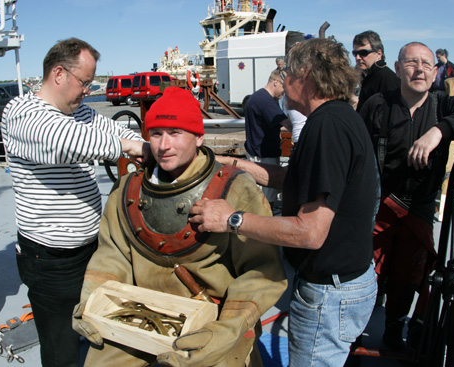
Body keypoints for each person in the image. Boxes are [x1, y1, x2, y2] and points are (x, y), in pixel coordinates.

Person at [189, 37, 379, 367]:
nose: (282, 78)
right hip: (343, 285)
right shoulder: (338, 118)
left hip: (328, 295)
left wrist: (232, 219)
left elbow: (310, 232)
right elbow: (292, 181)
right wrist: (224, 163)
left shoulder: (327, 128)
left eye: (285, 70)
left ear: (304, 74)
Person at [72, 87, 287, 367]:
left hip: (215, 319)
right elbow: (112, 256)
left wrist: (227, 328)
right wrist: (92, 302)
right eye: (157, 133)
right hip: (142, 315)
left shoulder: (234, 189)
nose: (164, 145)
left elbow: (261, 271)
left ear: (199, 137)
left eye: (175, 133)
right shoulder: (128, 190)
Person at [1, 37, 149, 367]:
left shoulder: (79, 111)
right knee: (62, 350)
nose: (87, 91)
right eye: (85, 82)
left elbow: (110, 129)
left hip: (92, 250)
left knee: (99, 331)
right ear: (58, 74)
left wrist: (155, 148)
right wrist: (132, 148)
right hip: (50, 261)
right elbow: (68, 140)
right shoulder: (22, 114)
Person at [359, 41, 454, 351]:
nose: (419, 69)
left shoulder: (444, 105)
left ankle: (395, 328)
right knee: (367, 273)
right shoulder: (377, 104)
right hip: (379, 203)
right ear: (398, 68)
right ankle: (353, 334)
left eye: (427, 64)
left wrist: (440, 131)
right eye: (412, 63)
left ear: (435, 73)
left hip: (419, 206)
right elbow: (357, 150)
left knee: (409, 273)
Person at [244, 69, 291, 208]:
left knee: (258, 197)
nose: (285, 93)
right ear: (276, 82)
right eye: (284, 87)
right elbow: (288, 124)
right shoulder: (266, 101)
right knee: (266, 199)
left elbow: (270, 124)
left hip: (256, 154)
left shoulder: (257, 97)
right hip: (264, 158)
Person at [353, 30, 400, 112]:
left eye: (363, 53)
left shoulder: (386, 78)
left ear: (379, 54)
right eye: (355, 53)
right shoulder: (370, 77)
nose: (358, 58)